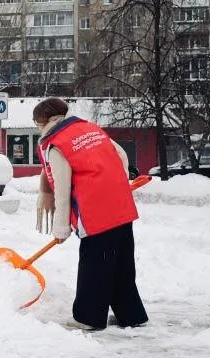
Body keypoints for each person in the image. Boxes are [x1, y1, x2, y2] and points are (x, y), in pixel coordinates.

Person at [33, 97, 147, 330]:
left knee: (94, 265)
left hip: (95, 212)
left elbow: (62, 191)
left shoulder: (56, 144)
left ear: (43, 121)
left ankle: (88, 317)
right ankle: (131, 315)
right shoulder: (90, 129)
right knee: (121, 264)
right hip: (121, 204)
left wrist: (61, 228)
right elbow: (121, 156)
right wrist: (117, 181)